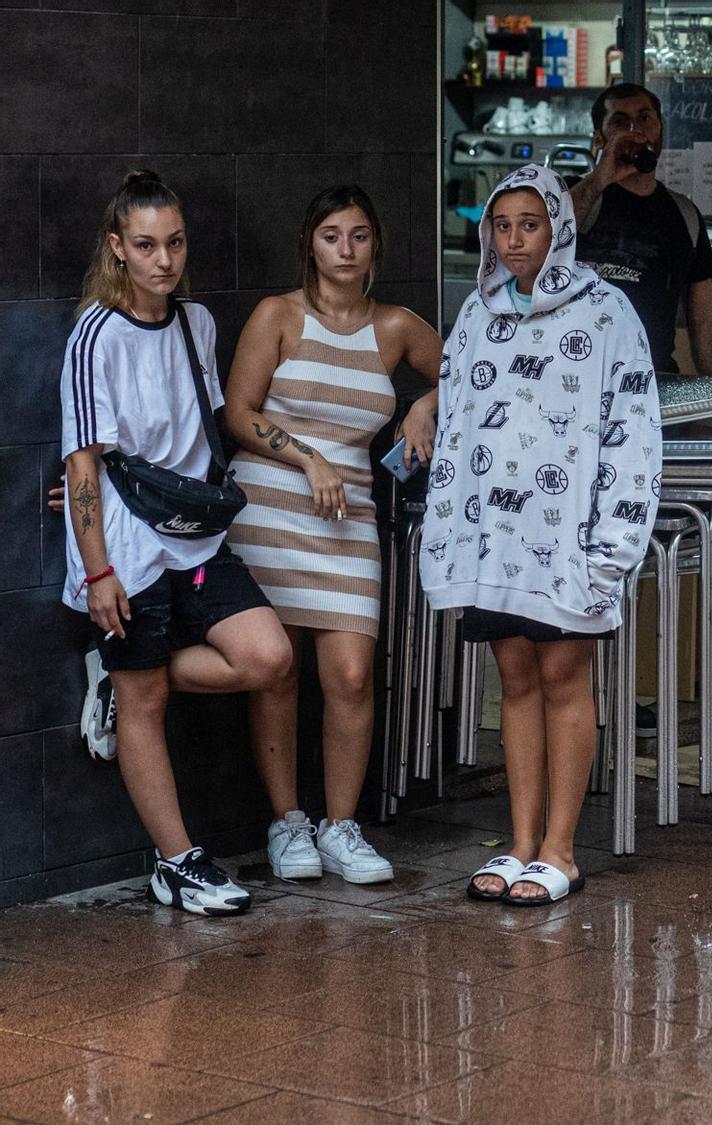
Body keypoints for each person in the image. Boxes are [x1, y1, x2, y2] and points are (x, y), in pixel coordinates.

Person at [421, 165, 660, 907]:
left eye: (531, 222)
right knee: (515, 680)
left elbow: (633, 432)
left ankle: (562, 848)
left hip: (570, 541)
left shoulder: (607, 311)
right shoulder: (477, 311)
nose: (517, 239)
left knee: (563, 678)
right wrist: (448, 529)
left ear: (559, 224)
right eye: (503, 224)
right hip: (495, 540)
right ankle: (520, 843)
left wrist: (613, 543)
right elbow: (458, 420)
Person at [60, 171, 293, 915]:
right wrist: (98, 570)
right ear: (117, 248)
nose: (165, 259)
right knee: (147, 699)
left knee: (266, 655)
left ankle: (120, 679)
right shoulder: (96, 334)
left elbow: (205, 426)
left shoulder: (197, 323)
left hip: (194, 533)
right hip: (127, 539)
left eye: (176, 242)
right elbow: (83, 462)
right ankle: (177, 860)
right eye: (147, 245)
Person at [223, 185, 443, 886]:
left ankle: (340, 827)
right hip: (271, 507)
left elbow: (480, 370)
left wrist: (427, 406)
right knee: (279, 670)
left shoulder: (398, 327)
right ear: (309, 245)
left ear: (376, 243)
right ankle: (287, 820)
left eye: (358, 236)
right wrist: (306, 455)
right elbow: (237, 410)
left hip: (349, 517)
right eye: (330, 236)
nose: (345, 250)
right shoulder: (278, 316)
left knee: (350, 673)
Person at [565, 82, 712, 380]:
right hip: (573, 380)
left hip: (649, 383)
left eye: (644, 118)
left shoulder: (684, 215)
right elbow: (550, 238)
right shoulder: (572, 193)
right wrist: (602, 176)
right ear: (599, 138)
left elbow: (706, 319)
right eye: (619, 121)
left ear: (661, 130)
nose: (634, 129)